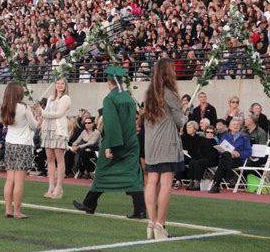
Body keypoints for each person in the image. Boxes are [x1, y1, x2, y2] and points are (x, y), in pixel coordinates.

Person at [73, 67, 145, 220]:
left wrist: (110, 146)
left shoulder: (110, 99)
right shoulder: (129, 98)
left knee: (102, 172)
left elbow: (112, 124)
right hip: (131, 142)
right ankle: (140, 209)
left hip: (116, 142)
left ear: (109, 82)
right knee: (133, 174)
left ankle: (90, 203)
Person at [143, 59, 187, 240]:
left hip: (151, 142)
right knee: (166, 182)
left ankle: (151, 223)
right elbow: (180, 122)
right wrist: (184, 113)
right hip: (166, 142)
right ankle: (160, 225)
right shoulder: (170, 93)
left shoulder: (149, 93)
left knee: (152, 180)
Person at [1, 81, 39, 219]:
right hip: (23, 144)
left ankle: (8, 209)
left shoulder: (5, 107)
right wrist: (37, 117)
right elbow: (34, 126)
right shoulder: (24, 107)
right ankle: (17, 211)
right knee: (19, 180)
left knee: (10, 179)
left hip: (10, 144)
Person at [39, 78, 71, 199]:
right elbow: (46, 112)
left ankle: (59, 188)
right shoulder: (51, 97)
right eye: (58, 83)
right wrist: (40, 112)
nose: (60, 85)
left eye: (62, 83)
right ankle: (51, 187)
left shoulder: (66, 98)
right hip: (48, 129)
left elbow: (58, 113)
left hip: (58, 130)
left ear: (65, 85)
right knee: (50, 159)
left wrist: (42, 112)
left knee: (59, 159)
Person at [209, 119, 252, 193]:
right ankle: (229, 176)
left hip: (238, 160)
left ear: (240, 127)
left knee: (222, 163)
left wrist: (239, 154)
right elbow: (219, 149)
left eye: (238, 125)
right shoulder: (225, 136)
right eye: (234, 125)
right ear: (229, 127)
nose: (236, 126)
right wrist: (229, 152)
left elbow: (249, 151)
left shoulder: (245, 137)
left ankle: (216, 184)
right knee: (226, 154)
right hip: (227, 159)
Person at [185, 125, 219, 191]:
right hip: (203, 158)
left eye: (211, 132)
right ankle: (192, 181)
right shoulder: (202, 140)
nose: (209, 134)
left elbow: (213, 154)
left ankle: (197, 183)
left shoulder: (214, 141)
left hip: (212, 160)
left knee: (199, 163)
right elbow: (199, 150)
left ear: (214, 134)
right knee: (192, 162)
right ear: (205, 133)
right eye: (207, 132)